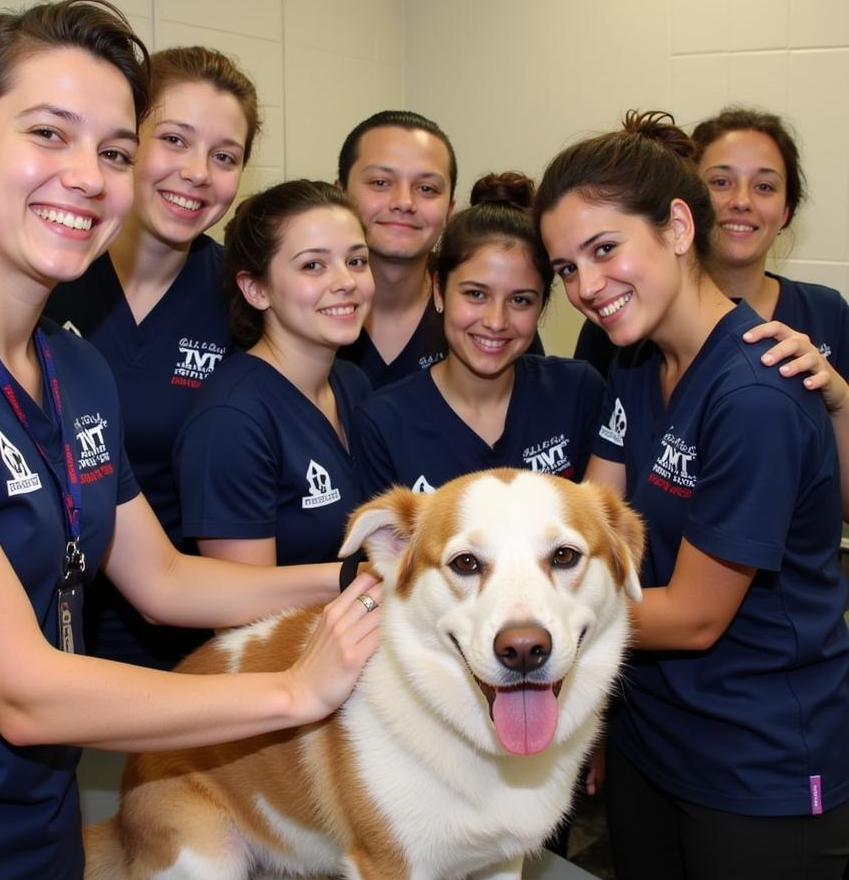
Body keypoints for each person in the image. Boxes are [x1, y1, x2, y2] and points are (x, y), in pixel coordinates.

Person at [0, 0, 381, 880]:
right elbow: (22, 689)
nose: (87, 178)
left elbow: (160, 580)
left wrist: (359, 577)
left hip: (40, 859)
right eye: (49, 134)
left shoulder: (73, 368)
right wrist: (296, 692)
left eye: (115, 153)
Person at [535, 110, 849, 880]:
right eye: (567, 268)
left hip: (757, 761)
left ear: (678, 226)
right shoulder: (636, 362)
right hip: (654, 737)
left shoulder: (755, 395)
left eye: (605, 250)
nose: (586, 287)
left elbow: (697, 614)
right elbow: (591, 527)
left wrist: (524, 622)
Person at [44, 46, 258, 667]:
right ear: (122, 143)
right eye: (173, 139)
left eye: (225, 157)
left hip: (184, 623)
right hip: (37, 616)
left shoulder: (242, 299)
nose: (197, 173)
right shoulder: (49, 271)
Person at [352, 171, 603, 501]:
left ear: (542, 305)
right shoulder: (383, 422)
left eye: (520, 300)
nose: (496, 321)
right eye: (475, 294)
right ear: (439, 291)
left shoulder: (578, 392)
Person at [173, 179, 374, 567]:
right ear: (256, 289)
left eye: (356, 261)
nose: (346, 282)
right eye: (313, 265)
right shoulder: (231, 421)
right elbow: (242, 610)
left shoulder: (353, 383)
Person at [573, 106, 849, 385]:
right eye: (720, 182)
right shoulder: (620, 313)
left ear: (786, 211)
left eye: (764, 186)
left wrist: (840, 399)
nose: (742, 201)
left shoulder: (828, 314)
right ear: (687, 202)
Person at [335, 110, 546, 389]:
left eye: (426, 188)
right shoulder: (303, 310)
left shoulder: (486, 318)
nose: (404, 202)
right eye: (380, 183)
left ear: (449, 210)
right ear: (339, 195)